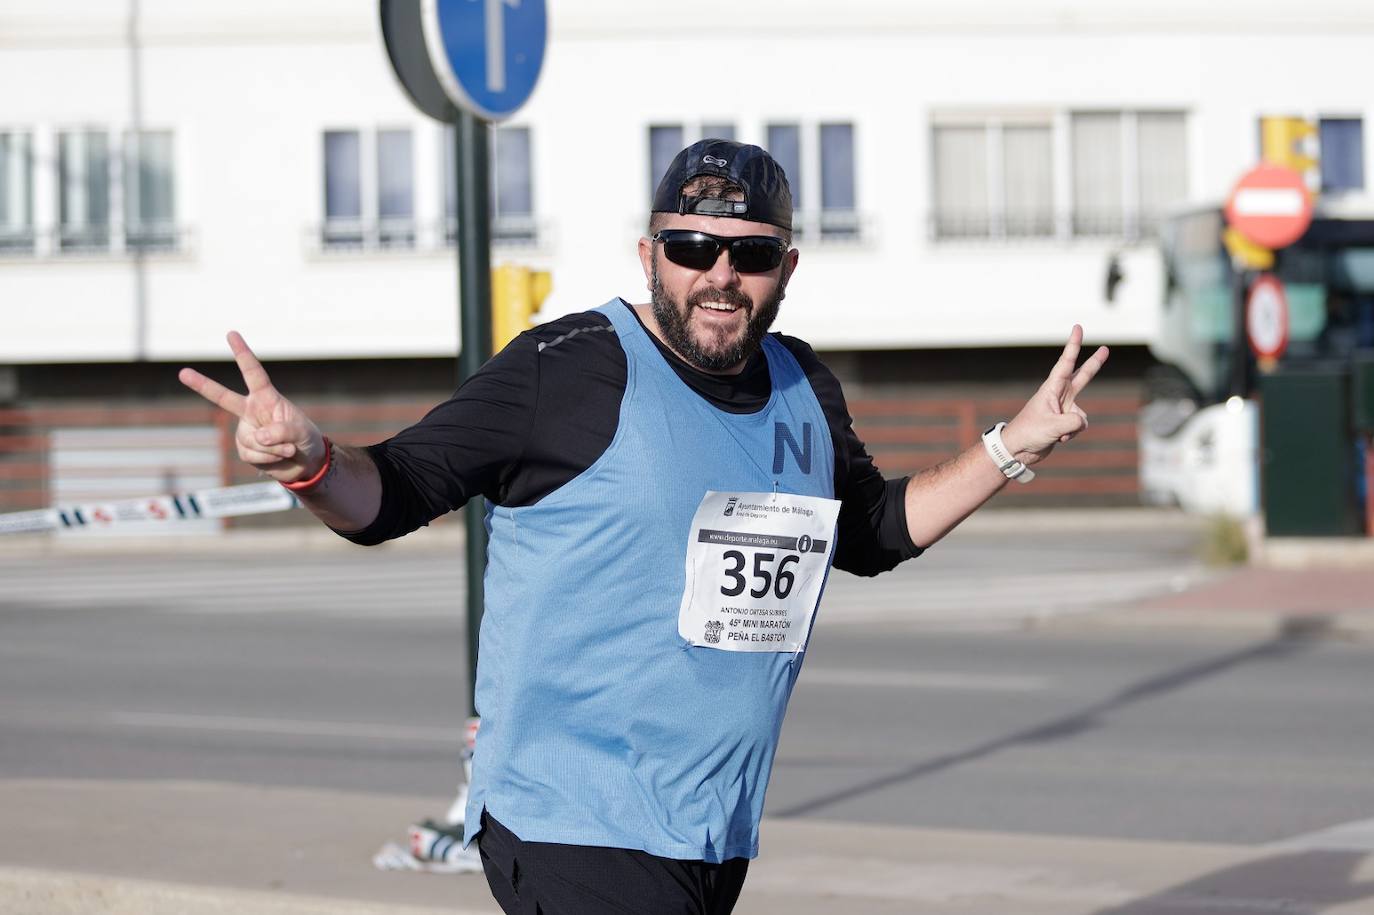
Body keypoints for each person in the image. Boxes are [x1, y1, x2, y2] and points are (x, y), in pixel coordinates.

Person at [179, 138, 1108, 914]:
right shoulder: (571, 367)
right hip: (573, 819)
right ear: (648, 252)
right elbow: (396, 491)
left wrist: (1012, 444)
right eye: (694, 247)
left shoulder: (802, 387)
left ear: (785, 267)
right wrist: (310, 462)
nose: (720, 276)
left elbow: (868, 532)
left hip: (712, 828)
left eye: (748, 255)